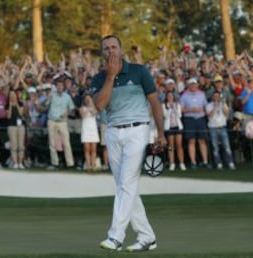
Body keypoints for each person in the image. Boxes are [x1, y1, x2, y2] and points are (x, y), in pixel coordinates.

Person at [92, 35, 167, 252]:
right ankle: (147, 236)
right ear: (103, 53)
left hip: (138, 130)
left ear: (121, 50)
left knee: (126, 184)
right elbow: (100, 105)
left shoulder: (139, 71)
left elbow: (155, 102)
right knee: (126, 187)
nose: (111, 51)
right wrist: (110, 77)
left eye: (114, 47)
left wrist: (161, 133)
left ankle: (115, 237)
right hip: (113, 132)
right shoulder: (99, 78)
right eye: (106, 48)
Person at [180, 78, 210, 169]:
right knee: (191, 140)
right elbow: (181, 109)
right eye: (191, 84)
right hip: (189, 119)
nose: (193, 86)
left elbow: (206, 107)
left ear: (197, 85)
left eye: (194, 84)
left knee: (202, 140)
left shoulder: (202, 94)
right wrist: (191, 110)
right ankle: (193, 162)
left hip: (200, 118)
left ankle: (205, 161)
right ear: (189, 85)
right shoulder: (184, 96)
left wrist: (203, 111)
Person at [45, 77, 75, 168]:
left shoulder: (67, 97)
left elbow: (72, 108)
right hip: (52, 121)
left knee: (66, 142)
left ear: (63, 87)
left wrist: (67, 113)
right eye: (58, 86)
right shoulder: (51, 95)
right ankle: (55, 163)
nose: (59, 87)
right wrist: (48, 99)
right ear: (56, 86)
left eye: (61, 86)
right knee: (52, 143)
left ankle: (70, 163)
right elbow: (46, 106)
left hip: (62, 122)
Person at [206, 91, 235, 170]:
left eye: (217, 96)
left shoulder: (223, 104)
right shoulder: (209, 105)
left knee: (227, 146)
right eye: (214, 96)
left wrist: (222, 105)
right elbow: (210, 115)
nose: (216, 98)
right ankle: (218, 163)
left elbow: (226, 114)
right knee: (215, 147)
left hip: (222, 127)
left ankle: (230, 162)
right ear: (212, 97)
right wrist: (215, 106)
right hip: (213, 128)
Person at [162, 91, 186, 171]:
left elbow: (179, 115)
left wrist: (174, 108)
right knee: (170, 146)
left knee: (179, 145)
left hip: (178, 126)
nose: (170, 97)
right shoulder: (164, 105)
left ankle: (182, 163)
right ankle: (172, 163)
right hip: (169, 127)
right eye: (168, 95)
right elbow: (165, 116)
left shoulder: (177, 104)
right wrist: (170, 108)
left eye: (171, 95)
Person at [79, 93, 100, 171]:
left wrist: (91, 105)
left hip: (93, 130)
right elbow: (83, 115)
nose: (87, 100)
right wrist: (87, 108)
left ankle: (93, 165)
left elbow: (94, 113)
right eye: (86, 99)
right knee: (87, 149)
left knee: (94, 149)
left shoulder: (94, 108)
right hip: (86, 130)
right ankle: (88, 165)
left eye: (89, 98)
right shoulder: (82, 108)